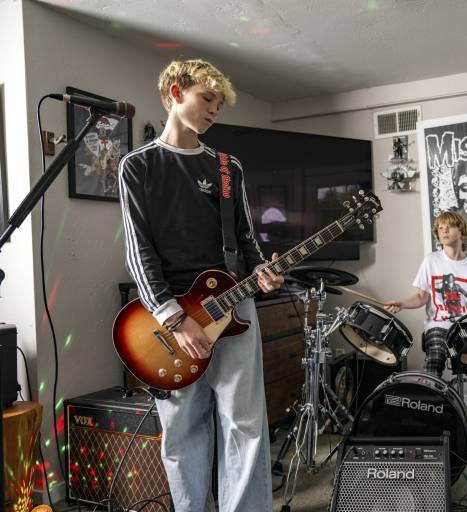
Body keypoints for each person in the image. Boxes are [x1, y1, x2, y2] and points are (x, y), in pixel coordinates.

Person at [118, 59, 282, 512]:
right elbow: (139, 251)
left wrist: (262, 273)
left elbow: (247, 240)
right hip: (171, 319)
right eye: (207, 98)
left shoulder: (229, 168)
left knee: (245, 425)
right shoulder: (138, 166)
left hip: (235, 309)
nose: (214, 110)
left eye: (219, 103)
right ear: (176, 92)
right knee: (184, 429)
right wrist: (172, 318)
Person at [384, 211, 467, 377]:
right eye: (441, 228)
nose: (444, 231)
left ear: (462, 232)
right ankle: (431, 395)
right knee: (435, 357)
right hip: (438, 326)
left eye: (449, 227)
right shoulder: (431, 261)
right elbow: (421, 297)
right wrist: (401, 303)